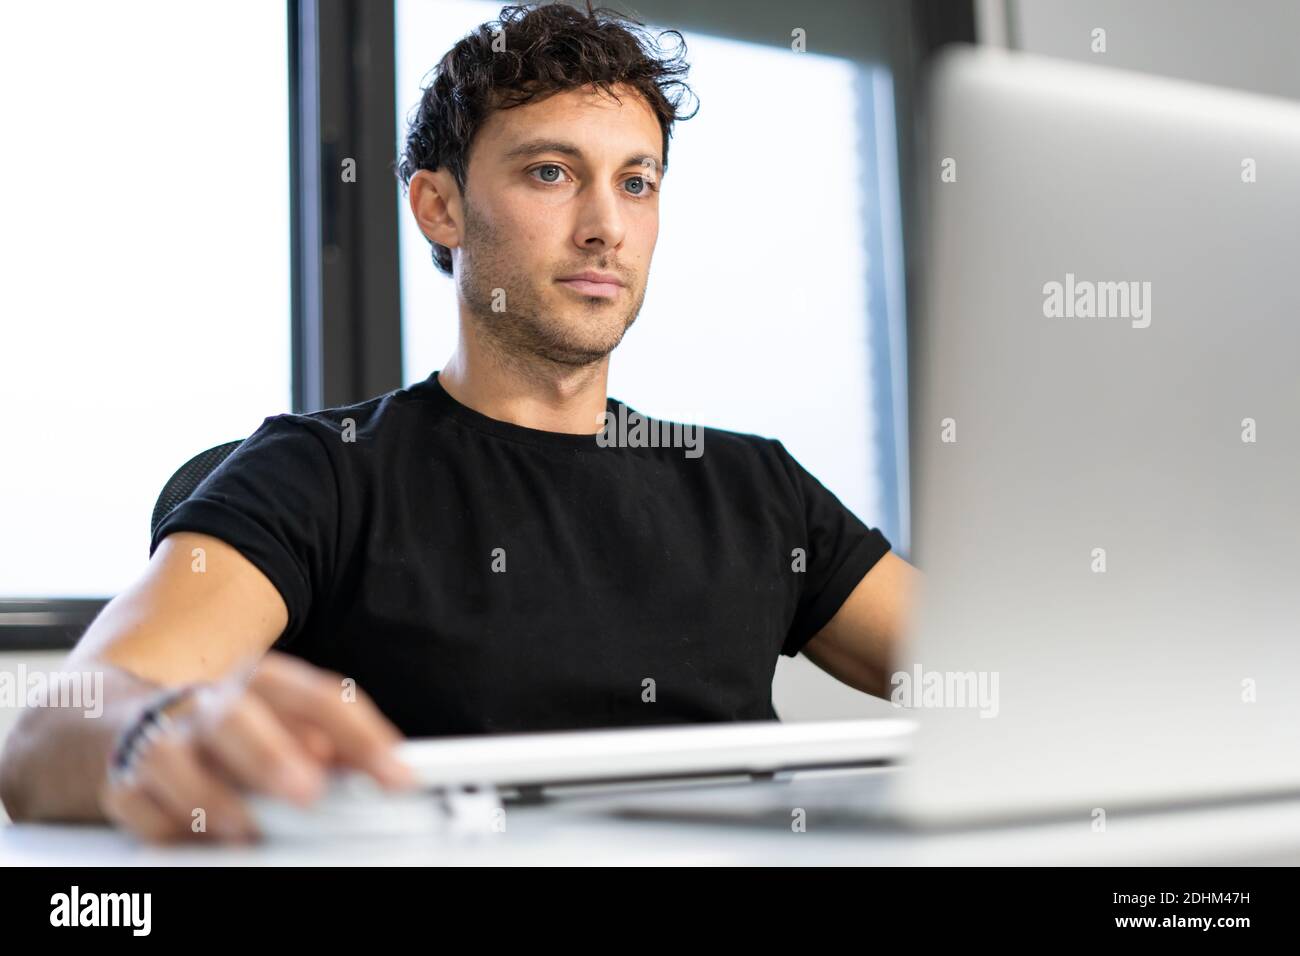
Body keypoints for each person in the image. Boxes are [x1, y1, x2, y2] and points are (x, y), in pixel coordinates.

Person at [0, 1, 919, 843]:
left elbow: (1003, 670)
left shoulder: (755, 487)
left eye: (636, 183)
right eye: (552, 172)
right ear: (440, 207)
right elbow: (48, 735)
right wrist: (155, 730)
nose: (605, 225)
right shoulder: (323, 474)